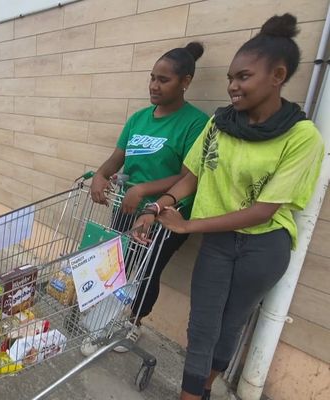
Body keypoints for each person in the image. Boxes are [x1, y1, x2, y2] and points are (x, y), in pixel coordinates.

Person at [133, 14, 324, 400]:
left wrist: (187, 226)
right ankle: (191, 394)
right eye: (231, 78)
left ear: (278, 75)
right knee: (202, 325)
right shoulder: (220, 124)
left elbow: (264, 210)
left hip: (263, 246)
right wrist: (158, 207)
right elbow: (189, 178)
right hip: (217, 241)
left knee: (231, 323)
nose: (233, 86)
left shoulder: (303, 136)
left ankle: (203, 388)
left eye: (244, 77)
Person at [87, 42, 209, 353]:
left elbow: (188, 176)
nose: (154, 85)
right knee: (119, 264)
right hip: (127, 206)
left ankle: (133, 323)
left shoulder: (196, 123)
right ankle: (104, 319)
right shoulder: (139, 118)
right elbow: (117, 159)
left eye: (163, 80)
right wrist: (101, 175)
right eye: (152, 77)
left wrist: (143, 190)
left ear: (185, 82)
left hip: (166, 212)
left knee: (146, 269)